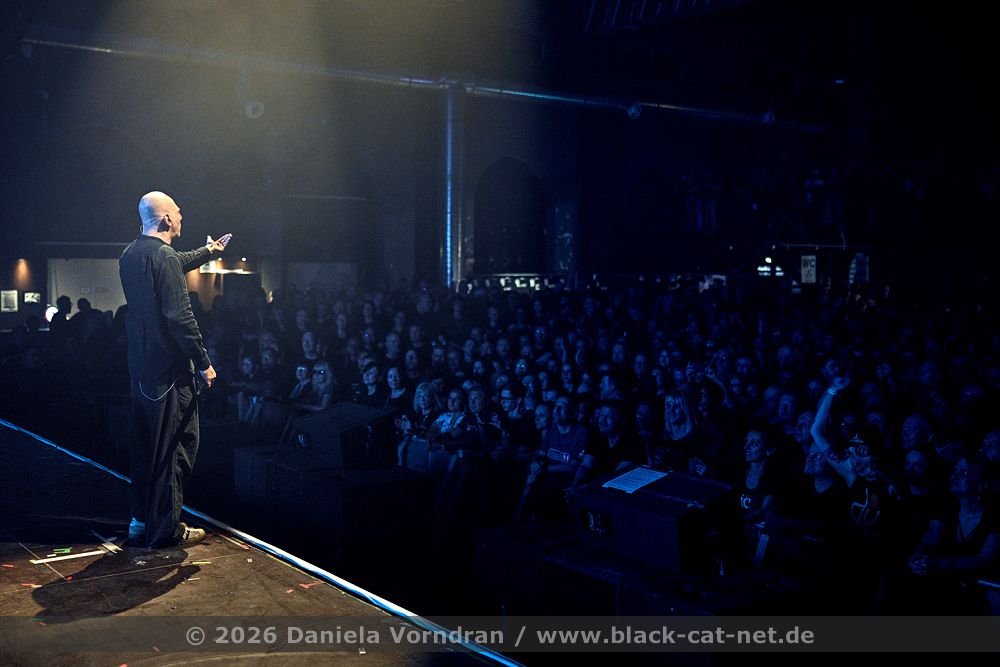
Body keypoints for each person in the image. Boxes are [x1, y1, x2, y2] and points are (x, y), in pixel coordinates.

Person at [119, 191, 230, 548]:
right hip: (169, 371)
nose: (182, 216)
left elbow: (172, 261)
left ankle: (140, 520)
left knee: (146, 446)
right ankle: (166, 528)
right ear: (166, 218)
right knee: (175, 447)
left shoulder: (130, 254)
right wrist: (204, 362)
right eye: (178, 212)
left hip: (141, 367)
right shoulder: (163, 257)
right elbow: (181, 318)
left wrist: (209, 251)